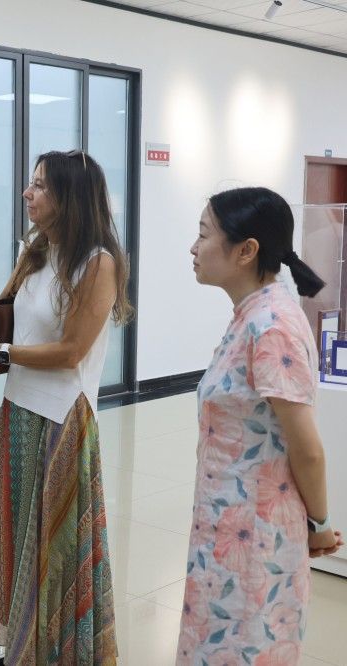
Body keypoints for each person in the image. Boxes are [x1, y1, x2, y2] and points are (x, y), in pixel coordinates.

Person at [0, 150, 129, 665]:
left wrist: (1, 353)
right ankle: (24, 647)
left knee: (54, 546)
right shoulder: (36, 250)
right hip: (19, 409)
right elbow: (3, 309)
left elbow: (72, 351)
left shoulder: (97, 262)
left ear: (69, 197)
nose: (27, 193)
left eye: (40, 186)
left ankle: (56, 653)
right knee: (16, 534)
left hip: (62, 416)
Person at [177, 187, 343, 665]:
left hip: (254, 535)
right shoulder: (251, 315)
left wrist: (320, 526)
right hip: (228, 522)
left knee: (245, 648)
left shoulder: (271, 325)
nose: (193, 247)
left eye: (204, 235)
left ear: (246, 250)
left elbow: (307, 448)